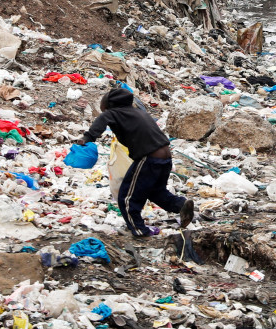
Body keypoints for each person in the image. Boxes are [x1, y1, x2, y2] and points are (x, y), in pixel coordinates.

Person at [79, 87, 193, 237]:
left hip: (149, 157)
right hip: (165, 156)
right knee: (155, 191)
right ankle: (180, 204)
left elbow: (101, 121)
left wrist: (86, 139)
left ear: (108, 105)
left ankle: (139, 230)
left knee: (127, 198)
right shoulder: (138, 112)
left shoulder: (113, 112)